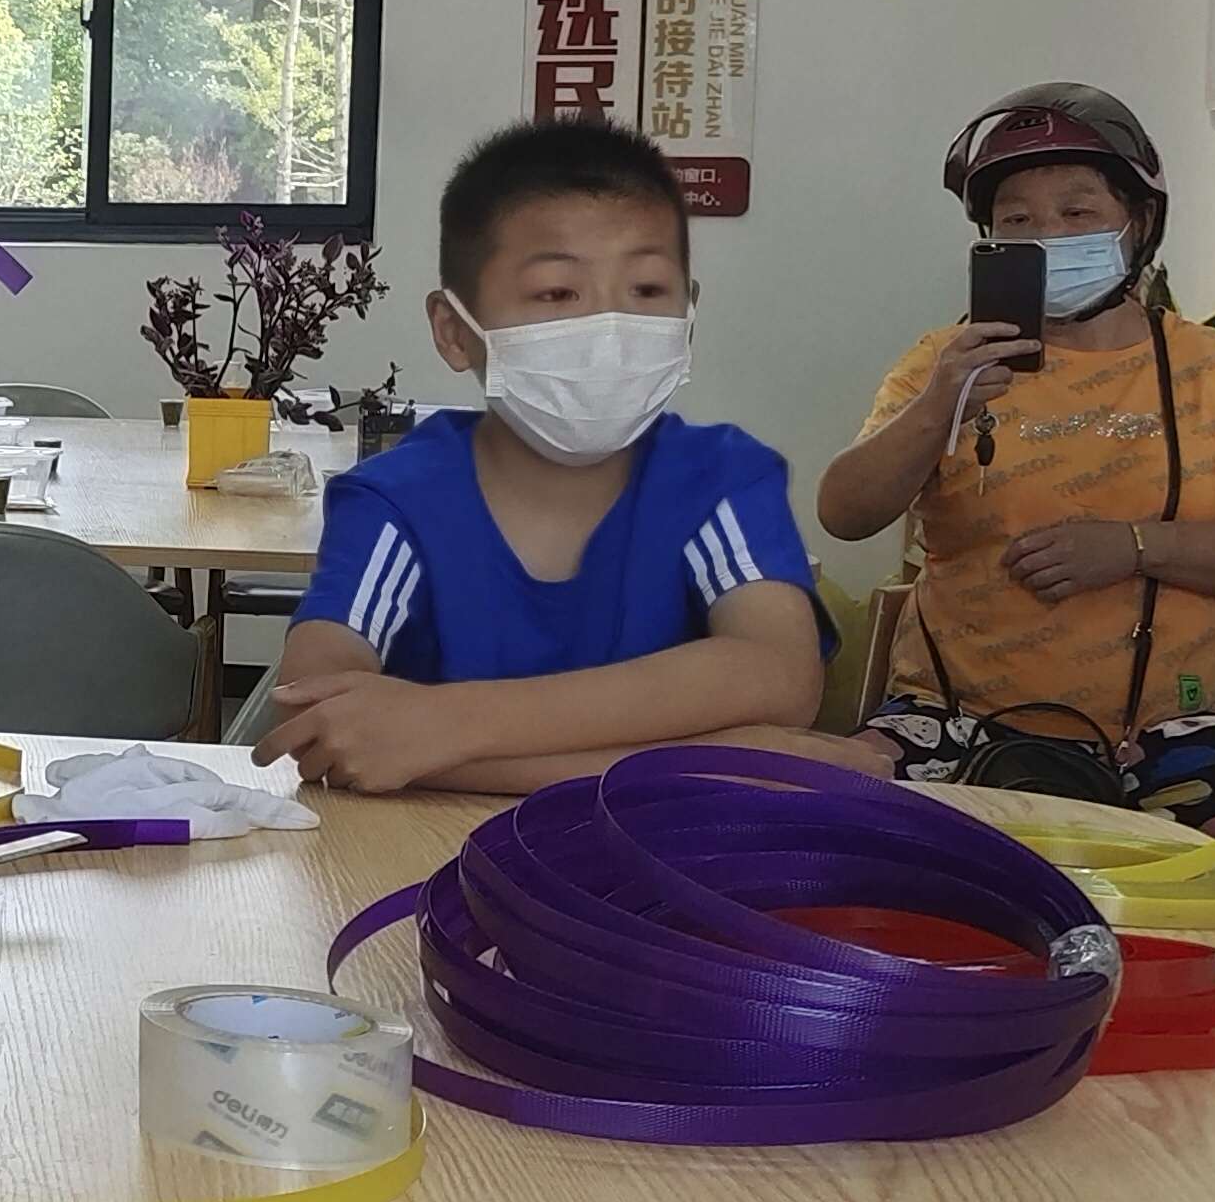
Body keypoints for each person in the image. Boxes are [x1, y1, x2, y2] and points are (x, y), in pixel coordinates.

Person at [816, 83, 1215, 857]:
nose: (1048, 236)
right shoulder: (942, 361)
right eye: (1018, 220)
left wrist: (1133, 547)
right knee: (832, 834)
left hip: (1169, 734)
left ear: (1140, 223)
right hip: (954, 723)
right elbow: (844, 513)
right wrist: (937, 406)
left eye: (1077, 211)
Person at [268, 118, 832, 796]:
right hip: (428, 853)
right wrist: (709, 763)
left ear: (689, 312)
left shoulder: (722, 478)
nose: (610, 330)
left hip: (658, 850)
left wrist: (441, 727)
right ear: (454, 331)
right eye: (558, 293)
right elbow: (314, 715)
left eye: (648, 290)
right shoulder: (399, 499)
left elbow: (779, 674)